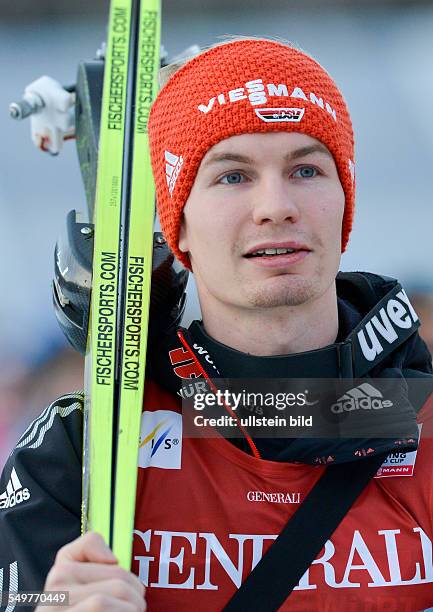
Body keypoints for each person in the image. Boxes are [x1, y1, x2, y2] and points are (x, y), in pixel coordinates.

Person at [1, 37, 433, 612]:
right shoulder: (84, 446)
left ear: (344, 203)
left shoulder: (416, 418)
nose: (275, 205)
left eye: (306, 169)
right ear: (176, 227)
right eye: (232, 176)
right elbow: (21, 594)